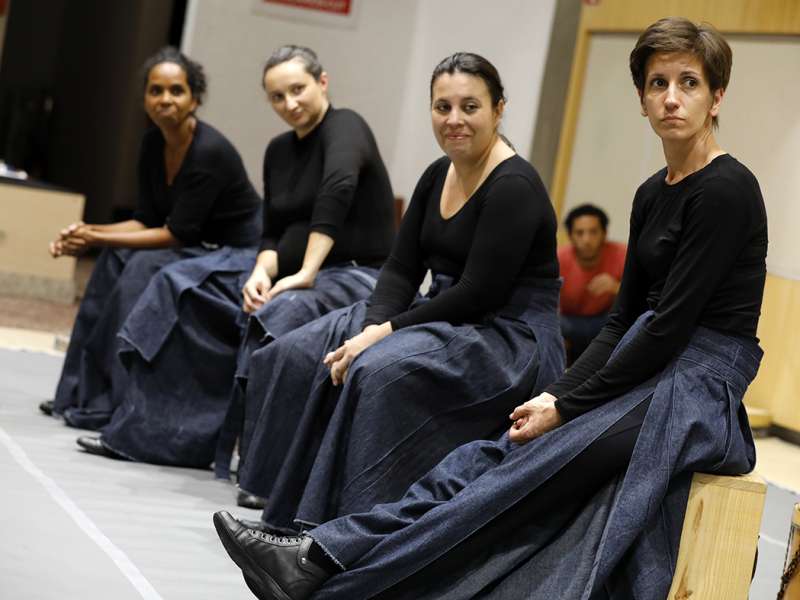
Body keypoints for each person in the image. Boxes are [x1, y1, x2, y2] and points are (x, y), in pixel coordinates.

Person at [213, 17, 769, 600]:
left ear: (716, 97)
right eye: (658, 84)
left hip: (694, 388)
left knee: (517, 474)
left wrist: (568, 404)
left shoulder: (727, 189)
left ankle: (331, 571)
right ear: (641, 98)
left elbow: (670, 328)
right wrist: (558, 396)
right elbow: (623, 320)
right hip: (646, 367)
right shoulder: (653, 191)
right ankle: (320, 551)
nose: (672, 98)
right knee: (489, 454)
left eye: (689, 83)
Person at [233, 51, 564, 533]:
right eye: (442, 107)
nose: (454, 120)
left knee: (376, 369)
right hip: (448, 314)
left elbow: (478, 292)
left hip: (509, 338)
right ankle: (293, 507)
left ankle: (351, 531)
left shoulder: (514, 185)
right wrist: (371, 326)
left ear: (498, 109)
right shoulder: (436, 175)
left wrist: (381, 335)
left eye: (470, 107)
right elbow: (402, 268)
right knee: (310, 349)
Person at [74, 45, 396, 469]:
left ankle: (246, 454)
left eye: (298, 89)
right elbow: (272, 232)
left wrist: (305, 272)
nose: (290, 104)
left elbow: (338, 188)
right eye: (277, 97)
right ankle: (153, 434)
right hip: (290, 273)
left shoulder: (346, 126)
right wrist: (259, 273)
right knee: (179, 288)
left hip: (352, 275)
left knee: (273, 314)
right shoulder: (278, 150)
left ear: (322, 82)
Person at [44, 47, 261, 430]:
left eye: (176, 91)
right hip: (193, 243)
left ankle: (117, 404)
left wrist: (94, 238)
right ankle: (80, 392)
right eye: (156, 91)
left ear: (194, 99)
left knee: (140, 265)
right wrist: (85, 231)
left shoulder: (209, 151)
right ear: (145, 98)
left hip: (237, 252)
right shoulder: (151, 145)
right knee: (114, 260)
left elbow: (176, 235)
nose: (165, 100)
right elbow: (146, 220)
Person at [558, 203, 626, 363]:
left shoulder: (622, 254)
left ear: (604, 233)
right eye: (580, 233)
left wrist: (617, 287)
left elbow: (646, 293)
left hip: (603, 324)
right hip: (566, 322)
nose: (587, 240)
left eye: (593, 232)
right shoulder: (558, 260)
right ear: (570, 235)